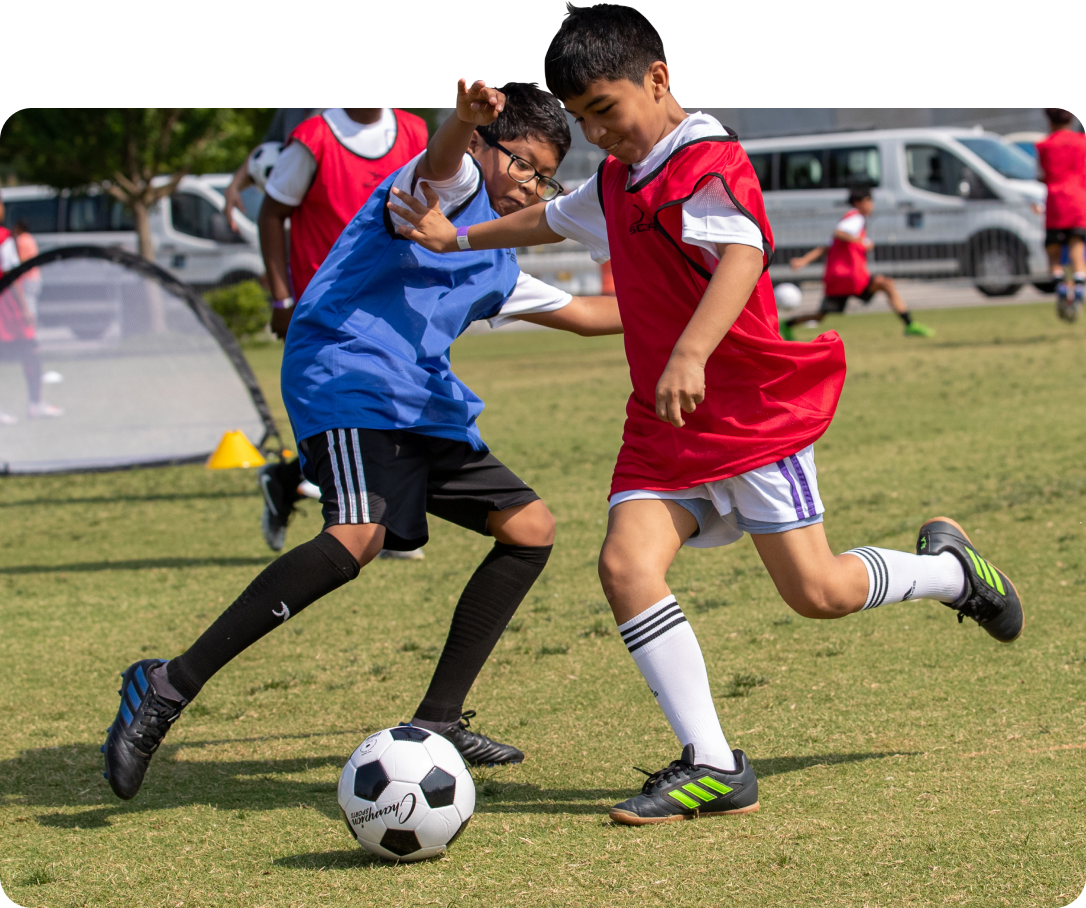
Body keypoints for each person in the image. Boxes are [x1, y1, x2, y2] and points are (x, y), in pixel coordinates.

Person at [393, 5, 1023, 827]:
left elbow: (744, 253)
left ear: (657, 79)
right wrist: (456, 238)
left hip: (745, 416)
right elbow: (550, 217)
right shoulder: (619, 178)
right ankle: (714, 765)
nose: (598, 135)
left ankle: (953, 574)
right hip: (661, 428)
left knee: (819, 592)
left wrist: (689, 353)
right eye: (583, 122)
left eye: (605, 112)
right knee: (625, 568)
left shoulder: (706, 161)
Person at [101, 80, 624, 802]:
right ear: (483, 144)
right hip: (344, 374)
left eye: (544, 174)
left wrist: (690, 298)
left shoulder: (495, 257)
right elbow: (445, 160)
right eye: (523, 165)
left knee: (531, 529)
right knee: (358, 535)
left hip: (420, 404)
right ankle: (165, 686)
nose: (531, 184)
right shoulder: (441, 186)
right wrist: (458, 121)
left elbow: (590, 314)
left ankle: (439, 722)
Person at [253, 107, 429, 555]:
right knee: (355, 412)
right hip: (328, 306)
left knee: (398, 403)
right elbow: (271, 214)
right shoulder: (313, 139)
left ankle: (289, 478)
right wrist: (280, 298)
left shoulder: (414, 129)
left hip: (391, 299)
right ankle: (381, 524)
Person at [782, 187, 934, 339]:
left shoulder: (849, 218)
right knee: (886, 284)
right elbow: (839, 233)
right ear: (858, 202)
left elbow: (826, 247)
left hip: (843, 279)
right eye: (869, 201)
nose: (871, 205)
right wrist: (862, 241)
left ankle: (787, 324)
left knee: (820, 315)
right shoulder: (856, 218)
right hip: (850, 278)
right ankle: (909, 325)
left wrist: (803, 260)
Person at [0, 200, 61, 423]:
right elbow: (11, 275)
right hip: (6, 306)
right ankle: (35, 404)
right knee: (30, 351)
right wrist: (25, 308)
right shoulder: (4, 237)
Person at [1036, 107, 1086, 322]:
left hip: (1056, 203)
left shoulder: (1044, 145)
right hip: (1078, 201)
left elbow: (1043, 175)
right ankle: (1080, 287)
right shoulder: (1082, 142)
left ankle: (1061, 288)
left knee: (1053, 253)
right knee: (1077, 248)